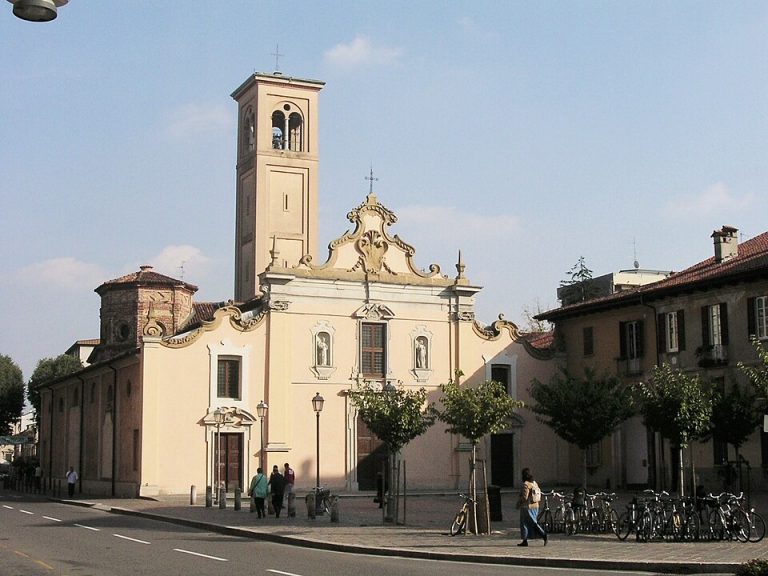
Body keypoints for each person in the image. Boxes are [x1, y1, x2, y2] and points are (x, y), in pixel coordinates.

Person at [516, 467, 547, 546]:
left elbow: (524, 497)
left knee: (528, 523)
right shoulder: (534, 483)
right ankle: (525, 540)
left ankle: (543, 534)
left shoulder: (526, 484)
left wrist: (518, 503)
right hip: (535, 505)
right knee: (529, 522)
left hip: (527, 507)